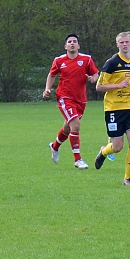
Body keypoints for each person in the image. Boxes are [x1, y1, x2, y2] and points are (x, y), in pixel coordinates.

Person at [93, 31, 130, 186]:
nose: (124, 44)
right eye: (121, 42)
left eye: (127, 42)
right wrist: (118, 85)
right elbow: (99, 86)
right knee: (117, 147)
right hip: (113, 109)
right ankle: (103, 152)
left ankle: (127, 178)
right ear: (117, 44)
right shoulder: (112, 63)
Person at [43, 34, 99, 169]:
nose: (72, 43)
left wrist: (93, 79)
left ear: (78, 45)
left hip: (81, 100)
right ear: (65, 46)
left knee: (68, 128)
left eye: (75, 41)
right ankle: (77, 159)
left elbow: (96, 73)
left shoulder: (86, 59)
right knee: (76, 125)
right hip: (64, 97)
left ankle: (55, 146)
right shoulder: (59, 61)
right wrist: (47, 89)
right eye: (69, 42)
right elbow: (52, 74)